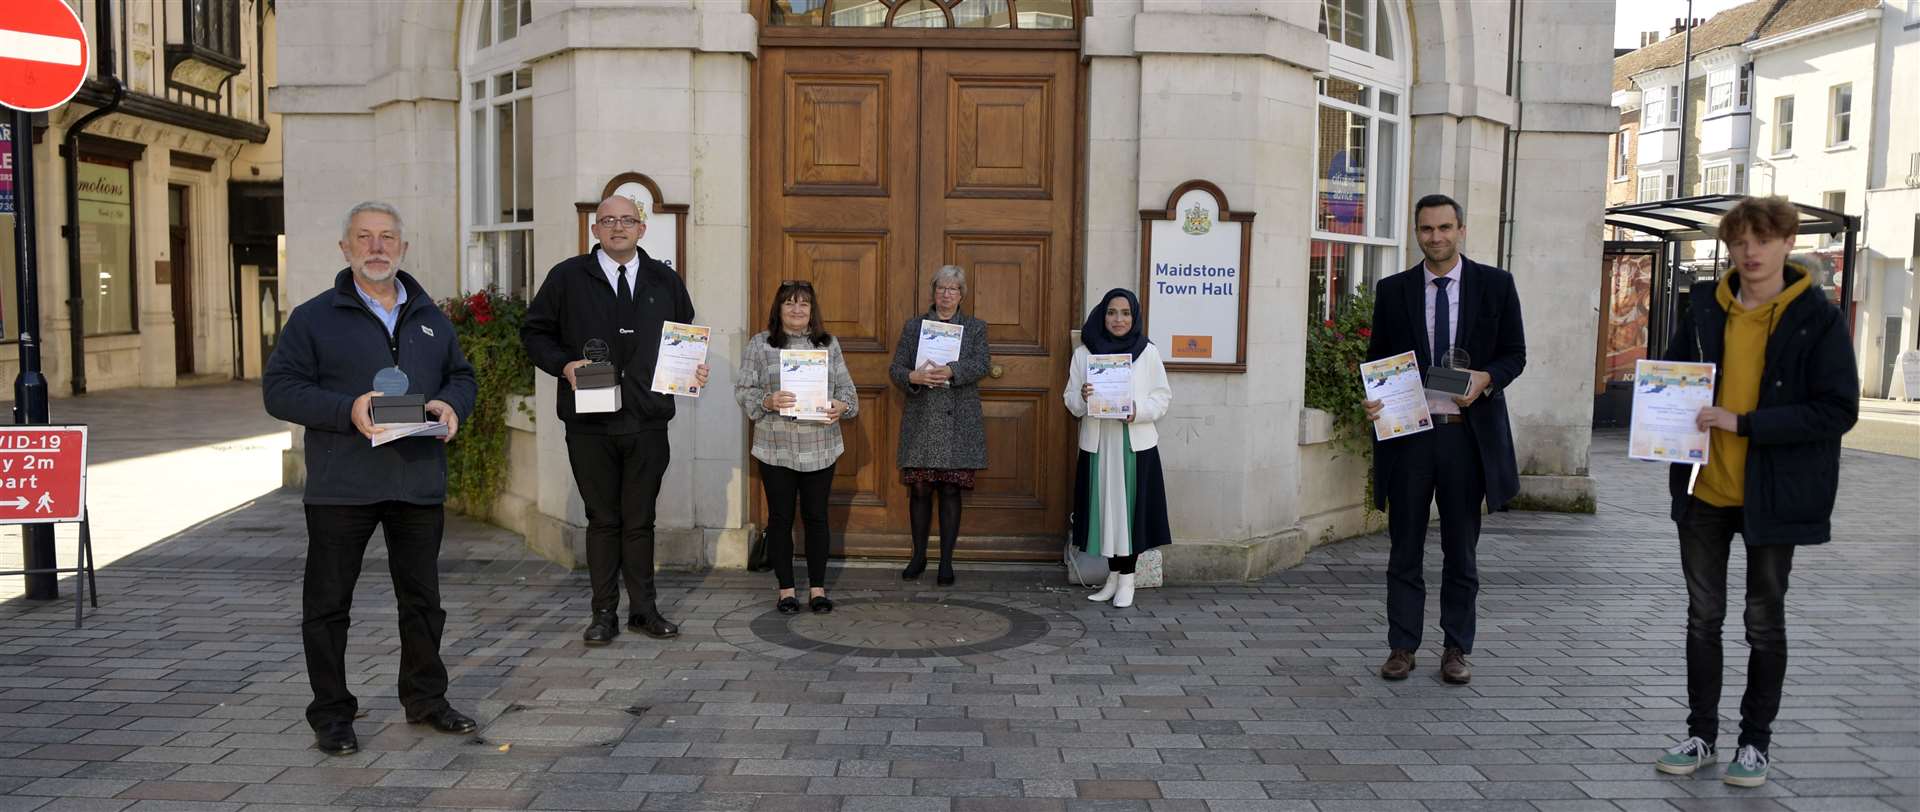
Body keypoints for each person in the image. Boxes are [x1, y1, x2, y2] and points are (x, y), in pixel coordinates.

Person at [1650, 196, 1857, 788]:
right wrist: (1657, 420)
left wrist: (1746, 423)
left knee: (1763, 622)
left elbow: (1838, 410)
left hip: (1775, 493)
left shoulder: (1818, 317)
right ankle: (1700, 735)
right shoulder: (1703, 307)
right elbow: (1670, 375)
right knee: (1702, 618)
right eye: (1740, 241)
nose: (1751, 252)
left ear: (1788, 243)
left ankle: (1754, 742)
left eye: (1764, 240)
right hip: (1704, 489)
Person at [263, 201, 479, 756]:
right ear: (345, 248)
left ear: (402, 248)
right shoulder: (313, 317)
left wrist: (453, 405)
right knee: (329, 604)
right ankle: (332, 714)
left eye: (386, 238)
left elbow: (461, 375)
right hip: (343, 483)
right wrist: (347, 408)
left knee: (423, 601)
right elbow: (280, 390)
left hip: (415, 478)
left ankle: (427, 700)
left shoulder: (430, 315)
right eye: (364, 238)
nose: (376, 247)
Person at [521, 194, 708, 645]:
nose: (617, 227)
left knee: (640, 520)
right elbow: (534, 332)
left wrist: (692, 369)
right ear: (594, 230)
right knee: (603, 520)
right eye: (608, 220)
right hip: (590, 421)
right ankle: (603, 613)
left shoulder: (665, 280)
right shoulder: (567, 277)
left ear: (642, 229)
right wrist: (564, 365)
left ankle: (644, 610)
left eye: (627, 220)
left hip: (647, 421)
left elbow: (682, 335)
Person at [1362, 194, 1526, 685]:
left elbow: (1515, 354)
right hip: (1411, 437)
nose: (1436, 237)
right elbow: (1378, 361)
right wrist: (1372, 398)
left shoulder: (1495, 285)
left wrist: (1486, 378)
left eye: (1445, 228)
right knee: (1404, 548)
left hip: (1465, 438)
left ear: (1462, 229)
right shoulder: (1394, 290)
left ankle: (1456, 648)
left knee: (1461, 550)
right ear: (1417, 233)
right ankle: (1402, 646)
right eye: (1427, 229)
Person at [735, 281, 858, 612]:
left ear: (812, 310)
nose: (796, 309)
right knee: (779, 518)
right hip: (776, 447)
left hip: (820, 446)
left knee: (816, 517)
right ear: (779, 309)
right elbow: (743, 390)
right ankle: (786, 590)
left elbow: (849, 392)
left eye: (803, 304)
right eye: (789, 303)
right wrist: (767, 399)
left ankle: (817, 589)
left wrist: (841, 406)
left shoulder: (828, 344)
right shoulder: (760, 345)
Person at [1064, 288, 1173, 609]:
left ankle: (1128, 579)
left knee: (1130, 513)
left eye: (1125, 313)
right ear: (1103, 314)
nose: (1118, 319)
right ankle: (1113, 577)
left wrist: (1137, 411)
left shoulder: (1147, 352)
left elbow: (1162, 397)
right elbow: (1069, 400)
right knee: (1105, 512)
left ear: (1134, 316)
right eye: (1112, 312)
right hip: (1099, 443)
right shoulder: (1085, 353)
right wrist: (1083, 397)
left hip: (1133, 443)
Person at [887, 265, 991, 585]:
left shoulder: (974, 328)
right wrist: (912, 377)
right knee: (919, 489)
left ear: (962, 295)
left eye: (953, 289)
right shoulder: (915, 326)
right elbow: (896, 368)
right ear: (933, 292)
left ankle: (946, 561)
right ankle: (918, 556)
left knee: (950, 489)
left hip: (958, 419)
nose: (946, 295)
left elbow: (982, 363)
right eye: (941, 289)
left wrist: (952, 371)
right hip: (923, 418)